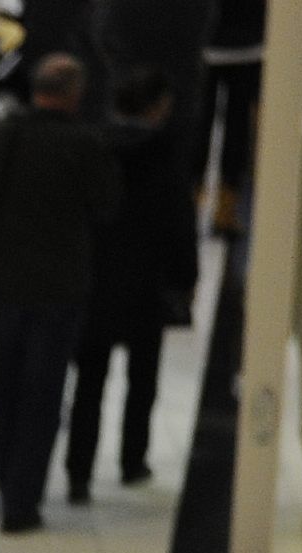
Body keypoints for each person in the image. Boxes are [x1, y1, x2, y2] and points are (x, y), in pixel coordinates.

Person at [0, 56, 122, 531]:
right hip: (60, 286)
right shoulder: (86, 145)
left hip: (4, 281)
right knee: (42, 394)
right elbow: (108, 207)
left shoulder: (1, 135)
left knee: (3, 386)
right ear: (76, 94)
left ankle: (5, 481)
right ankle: (21, 497)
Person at [68, 70, 199, 499]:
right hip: (148, 283)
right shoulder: (165, 157)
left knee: (90, 379)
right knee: (142, 379)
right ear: (158, 108)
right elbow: (180, 224)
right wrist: (186, 278)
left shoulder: (92, 148)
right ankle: (132, 460)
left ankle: (79, 471)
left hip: (95, 278)